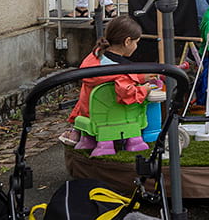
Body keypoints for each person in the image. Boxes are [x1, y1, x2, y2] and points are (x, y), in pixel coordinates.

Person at [64, 14, 155, 153]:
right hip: (112, 117)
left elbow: (114, 78)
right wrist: (145, 89)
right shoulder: (121, 71)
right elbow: (127, 93)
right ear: (127, 41)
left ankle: (87, 139)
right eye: (136, 42)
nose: (136, 46)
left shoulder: (95, 57)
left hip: (88, 113)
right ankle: (130, 141)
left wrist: (141, 77)